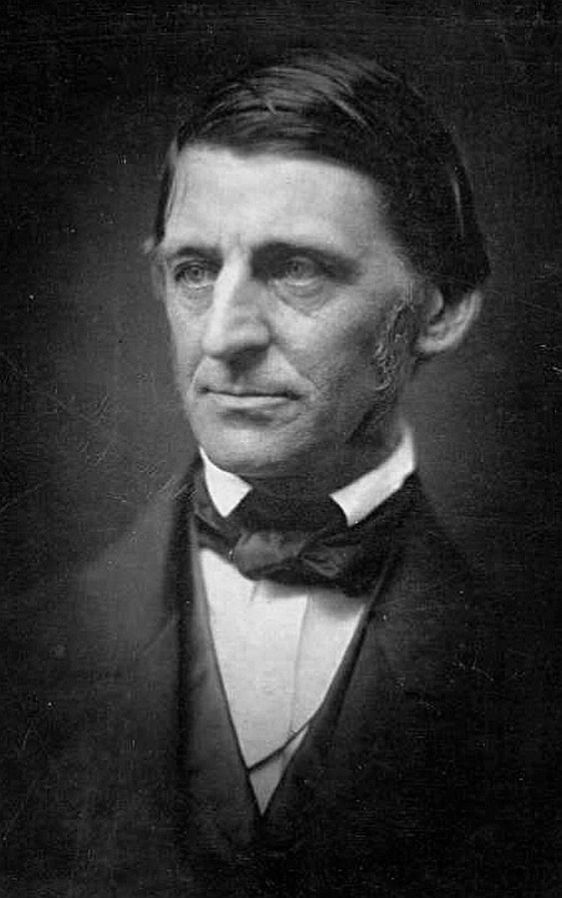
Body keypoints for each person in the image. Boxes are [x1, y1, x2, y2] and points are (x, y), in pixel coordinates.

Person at [3, 50, 531, 896]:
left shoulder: (529, 680)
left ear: (440, 310)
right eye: (195, 271)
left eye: (297, 269)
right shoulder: (23, 655)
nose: (222, 337)